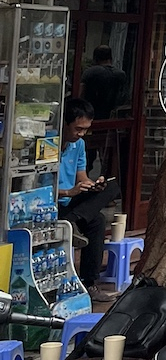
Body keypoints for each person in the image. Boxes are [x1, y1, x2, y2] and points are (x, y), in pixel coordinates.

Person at [58, 96, 121, 294]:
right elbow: (38, 187)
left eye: (85, 129)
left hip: (72, 204)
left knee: (111, 187)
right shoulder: (49, 143)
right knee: (98, 220)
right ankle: (72, 221)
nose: (81, 134)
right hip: (54, 201)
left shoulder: (79, 145)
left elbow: (82, 178)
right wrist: (68, 192)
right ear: (65, 123)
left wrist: (93, 186)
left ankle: (88, 283)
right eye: (78, 129)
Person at [81, 45, 128, 121]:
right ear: (111, 58)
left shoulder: (90, 73)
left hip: (92, 115)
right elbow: (125, 97)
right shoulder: (121, 74)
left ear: (95, 58)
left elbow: (81, 93)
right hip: (114, 117)